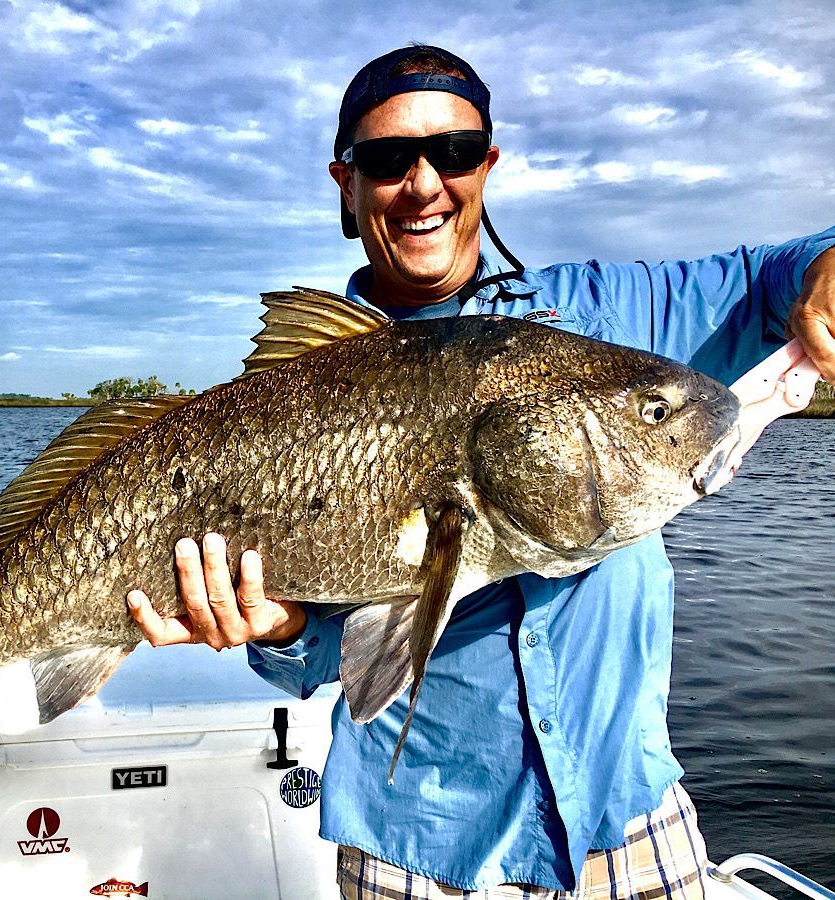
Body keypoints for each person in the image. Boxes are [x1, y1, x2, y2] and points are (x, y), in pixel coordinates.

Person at [128, 45, 835, 899]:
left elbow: (774, 273)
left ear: (487, 165)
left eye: (454, 152)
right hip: (417, 853)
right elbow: (325, 656)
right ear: (345, 184)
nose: (424, 183)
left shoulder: (606, 315)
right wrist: (278, 634)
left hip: (635, 824)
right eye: (387, 160)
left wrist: (823, 271)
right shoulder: (298, 389)